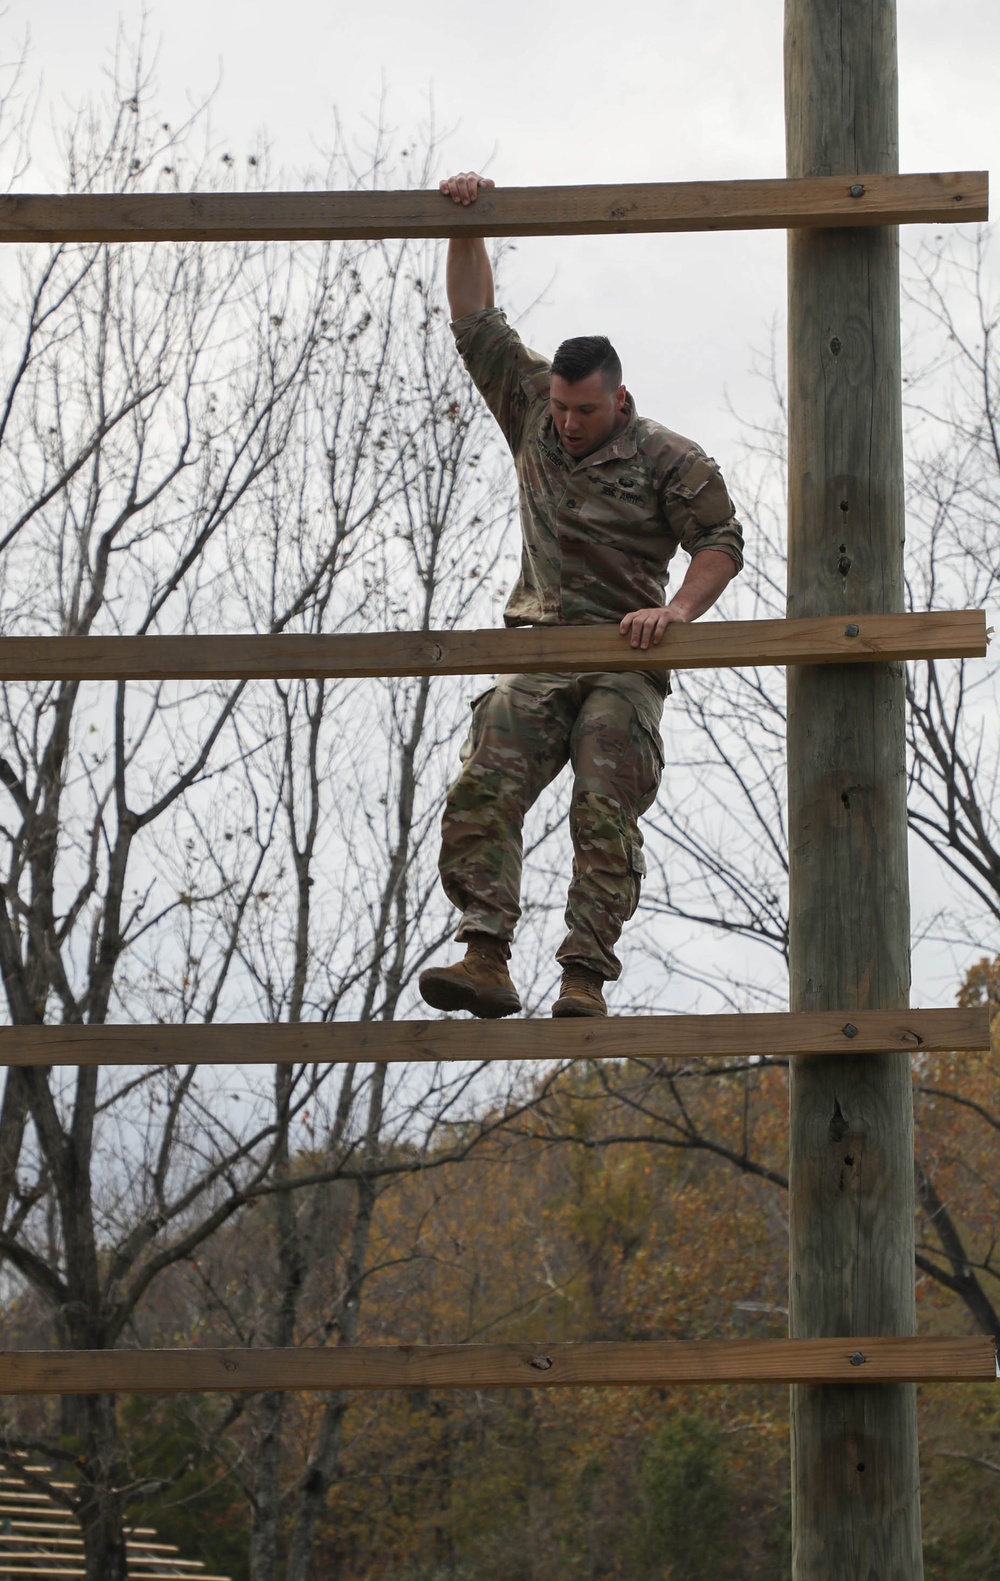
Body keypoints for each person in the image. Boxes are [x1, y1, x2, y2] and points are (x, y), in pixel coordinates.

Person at [419, 171, 744, 1020]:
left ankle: (585, 974)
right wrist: (469, 217)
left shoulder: (669, 457)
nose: (568, 422)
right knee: (489, 764)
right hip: (537, 647)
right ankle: (485, 952)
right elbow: (475, 320)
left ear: (620, 398)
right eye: (562, 407)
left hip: (622, 657)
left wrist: (676, 611)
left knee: (605, 792)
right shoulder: (530, 403)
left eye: (586, 409)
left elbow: (720, 541)